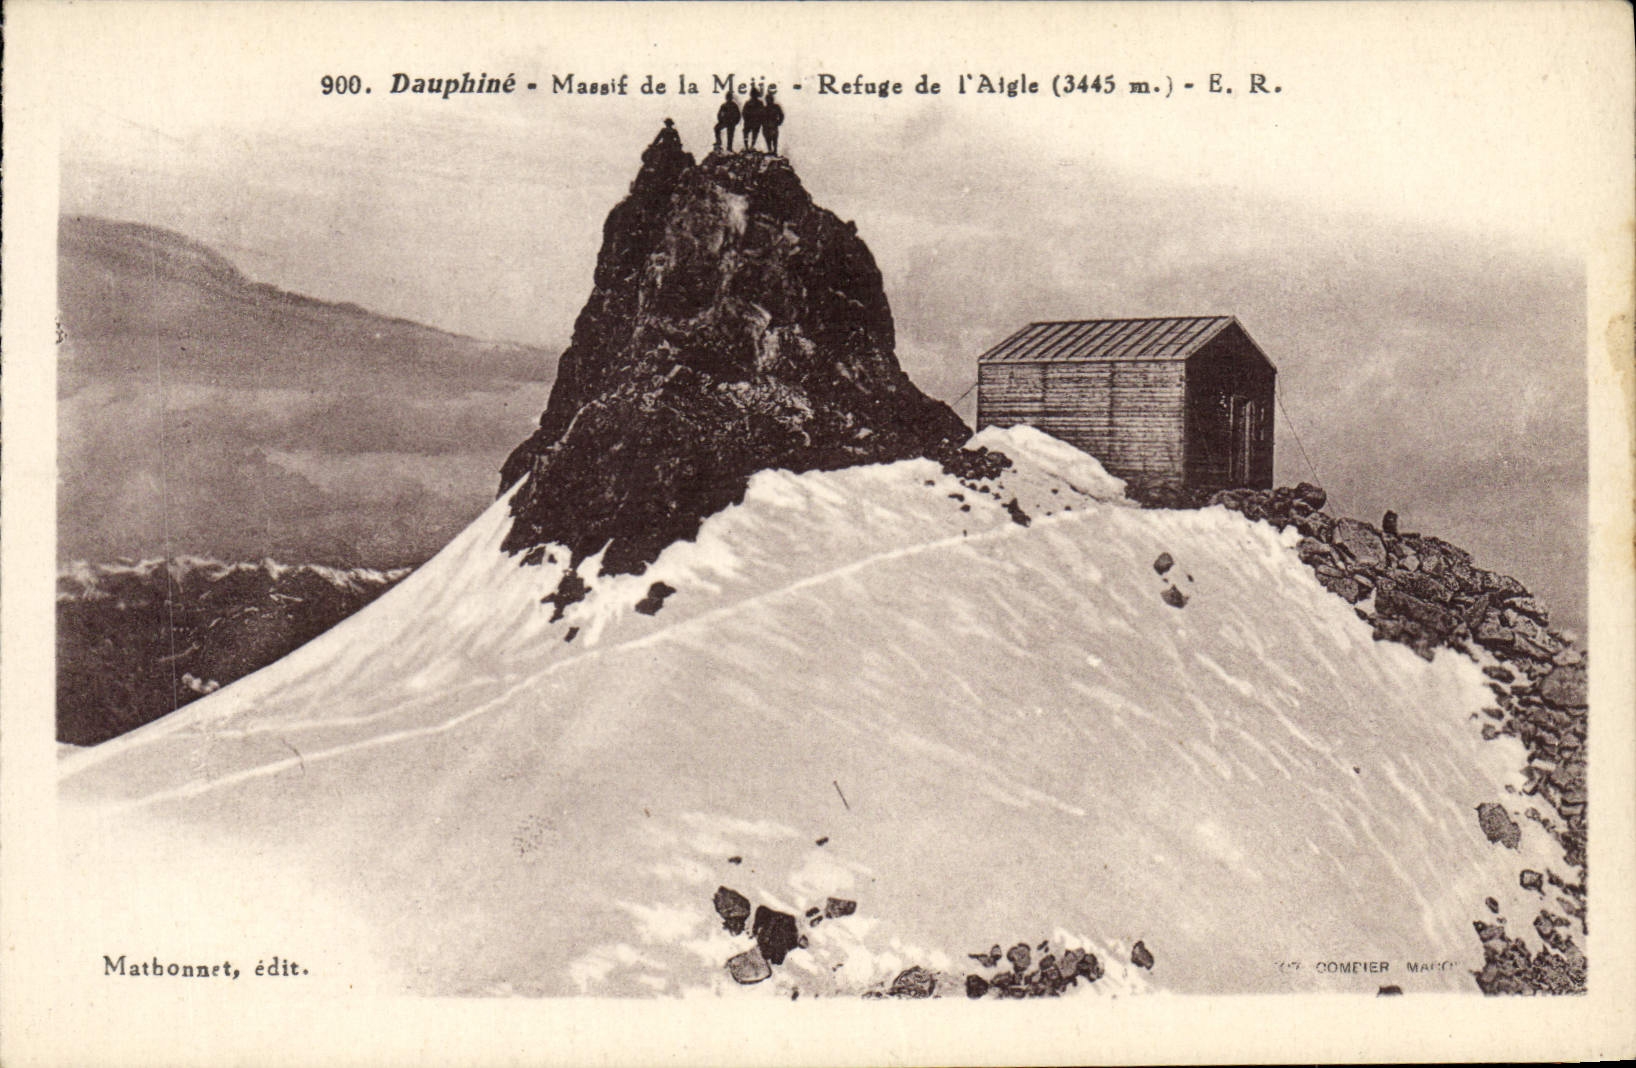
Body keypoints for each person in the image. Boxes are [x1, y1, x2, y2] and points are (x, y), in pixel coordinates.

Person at [741, 85, 765, 151]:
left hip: (755, 122)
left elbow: (762, 113)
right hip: (749, 121)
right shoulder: (748, 103)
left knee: (753, 133)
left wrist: (759, 120)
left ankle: (751, 146)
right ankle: (747, 146)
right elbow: (744, 112)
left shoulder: (759, 103)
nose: (754, 96)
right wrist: (747, 118)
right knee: (746, 133)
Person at [762, 88, 784, 155]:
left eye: (769, 99)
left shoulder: (776, 107)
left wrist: (779, 122)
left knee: (774, 139)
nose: (768, 101)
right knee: (768, 139)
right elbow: (761, 117)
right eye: (767, 100)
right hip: (767, 127)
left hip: (773, 126)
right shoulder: (765, 108)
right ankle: (770, 150)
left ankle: (774, 151)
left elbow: (781, 115)